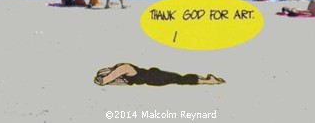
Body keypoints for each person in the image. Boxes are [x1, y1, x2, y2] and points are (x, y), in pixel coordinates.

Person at [93, 63, 225, 86]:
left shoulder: (123, 75)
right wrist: (105, 80)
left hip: (153, 75)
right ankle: (209, 81)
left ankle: (206, 80)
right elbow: (107, 79)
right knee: (179, 78)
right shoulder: (124, 69)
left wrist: (105, 79)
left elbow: (110, 78)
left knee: (179, 77)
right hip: (154, 77)